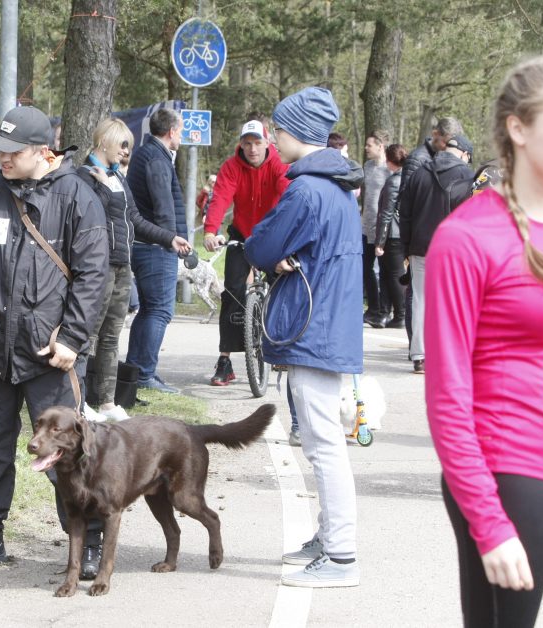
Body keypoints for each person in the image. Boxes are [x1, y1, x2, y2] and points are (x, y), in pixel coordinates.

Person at [0, 106, 109, 579]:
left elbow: (95, 277)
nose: (3, 159)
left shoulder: (78, 197)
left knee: (68, 459)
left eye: (13, 152)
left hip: (52, 358)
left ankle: (88, 545)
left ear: (44, 151)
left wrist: (73, 336)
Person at [425, 56, 543, 627]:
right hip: (506, 469)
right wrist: (490, 521)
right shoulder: (468, 237)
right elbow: (448, 395)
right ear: (518, 129)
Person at [245, 86, 364, 588]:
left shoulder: (307, 189)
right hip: (329, 325)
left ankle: (339, 556)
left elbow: (260, 245)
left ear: (298, 133)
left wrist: (271, 255)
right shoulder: (334, 187)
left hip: (314, 330)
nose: (273, 137)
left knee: (323, 445)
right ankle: (327, 539)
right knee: (322, 441)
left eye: (278, 128)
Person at [76, 118, 190, 421]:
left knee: (112, 336)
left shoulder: (117, 177)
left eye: (128, 145)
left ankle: (107, 401)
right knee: (88, 336)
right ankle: (78, 401)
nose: (126, 151)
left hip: (122, 266)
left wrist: (169, 238)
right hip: (98, 267)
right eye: (122, 144)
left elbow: (135, 219)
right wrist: (103, 188)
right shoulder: (85, 176)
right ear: (105, 142)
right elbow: (91, 217)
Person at [202, 120, 289, 387]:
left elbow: (288, 194)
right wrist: (209, 231)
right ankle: (225, 361)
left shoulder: (278, 163)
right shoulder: (231, 166)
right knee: (233, 293)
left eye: (257, 143)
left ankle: (279, 349)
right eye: (247, 143)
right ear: (241, 144)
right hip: (242, 233)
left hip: (273, 233)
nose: (252, 149)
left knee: (281, 289)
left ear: (267, 144)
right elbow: (220, 198)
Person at [399, 134, 474, 374]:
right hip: (454, 248)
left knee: (421, 300)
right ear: (464, 154)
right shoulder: (467, 175)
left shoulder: (420, 173)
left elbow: (405, 213)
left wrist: (406, 247)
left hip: (421, 246)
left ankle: (420, 356)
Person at [124, 108, 186, 394]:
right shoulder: (156, 159)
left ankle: (137, 370)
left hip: (147, 243)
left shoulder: (149, 154)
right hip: (155, 246)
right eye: (181, 130)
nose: (181, 135)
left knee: (149, 310)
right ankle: (145, 374)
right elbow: (164, 208)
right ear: (172, 131)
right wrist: (171, 240)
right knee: (159, 310)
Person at [374, 143, 409, 329]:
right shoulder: (407, 178)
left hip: (393, 235)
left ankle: (401, 314)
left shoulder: (395, 181)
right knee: (389, 275)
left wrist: (380, 241)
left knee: (394, 275)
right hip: (399, 233)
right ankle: (389, 313)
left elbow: (386, 213)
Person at [362, 130, 392, 327]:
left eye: (369, 145)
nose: (366, 148)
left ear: (380, 146)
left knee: (384, 270)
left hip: (383, 229)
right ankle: (372, 308)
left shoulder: (389, 169)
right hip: (366, 227)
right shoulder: (366, 166)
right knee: (366, 269)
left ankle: (385, 310)